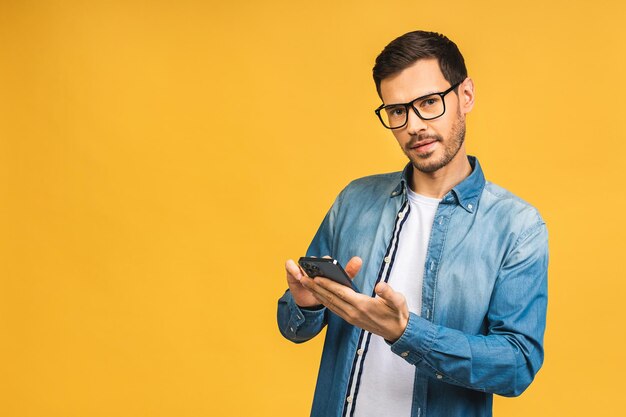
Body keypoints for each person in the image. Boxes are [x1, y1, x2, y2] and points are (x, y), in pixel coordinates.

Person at [277, 30, 548, 417]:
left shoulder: (517, 227)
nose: (413, 125)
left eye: (429, 102)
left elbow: (516, 366)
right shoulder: (355, 200)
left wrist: (406, 334)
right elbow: (293, 327)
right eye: (398, 110)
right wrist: (307, 304)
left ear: (465, 96)